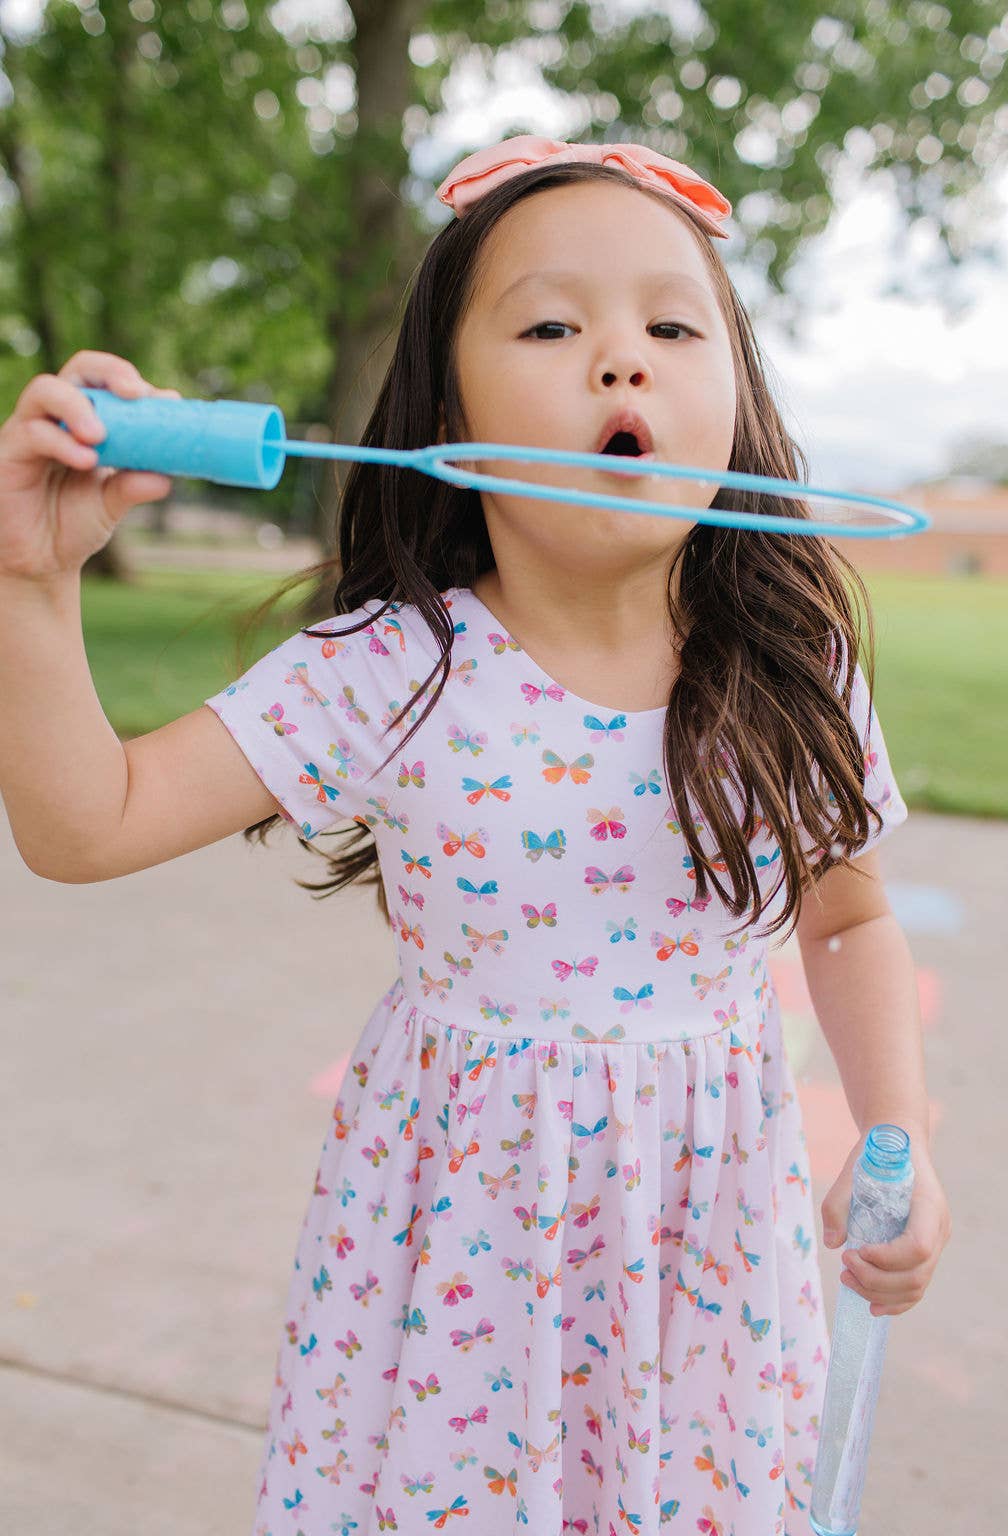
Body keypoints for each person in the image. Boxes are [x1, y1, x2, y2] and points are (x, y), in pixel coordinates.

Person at [0, 134, 952, 1536]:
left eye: (673, 326)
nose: (622, 362)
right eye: (553, 326)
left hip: (709, 1253)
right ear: (449, 409)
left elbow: (850, 914)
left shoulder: (790, 658)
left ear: (737, 399)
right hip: (459, 1254)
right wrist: (29, 581)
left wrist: (896, 1132)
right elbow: (89, 827)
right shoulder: (394, 667)